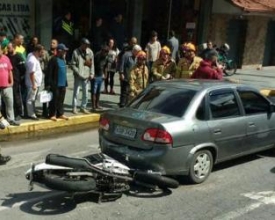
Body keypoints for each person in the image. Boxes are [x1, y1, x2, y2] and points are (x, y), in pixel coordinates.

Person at [45, 43, 69, 121]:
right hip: (55, 84)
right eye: (64, 51)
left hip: (62, 84)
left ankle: (60, 113)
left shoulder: (63, 59)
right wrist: (48, 84)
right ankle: (52, 114)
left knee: (61, 100)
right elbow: (49, 73)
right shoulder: (53, 59)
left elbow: (64, 72)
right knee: (54, 100)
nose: (65, 52)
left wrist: (65, 83)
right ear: (59, 50)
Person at [71, 38, 94, 114]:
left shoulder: (90, 52)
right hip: (78, 75)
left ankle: (83, 107)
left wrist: (92, 73)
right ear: (82, 44)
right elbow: (73, 65)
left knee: (86, 93)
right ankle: (74, 107)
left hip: (86, 75)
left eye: (87, 45)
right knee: (76, 93)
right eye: (85, 45)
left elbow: (92, 64)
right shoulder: (75, 52)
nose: (86, 46)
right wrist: (78, 72)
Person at [0, 46, 20, 126]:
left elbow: (10, 70)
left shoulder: (6, 58)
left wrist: (11, 82)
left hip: (7, 85)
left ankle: (11, 119)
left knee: (10, 103)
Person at [7, 42, 26, 121]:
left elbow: (23, 69)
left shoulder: (18, 56)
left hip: (16, 79)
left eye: (9, 48)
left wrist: (20, 77)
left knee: (16, 96)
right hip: (8, 80)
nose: (8, 49)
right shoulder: (7, 57)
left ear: (14, 48)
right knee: (9, 97)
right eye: (7, 48)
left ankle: (19, 113)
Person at [25, 44, 44, 120]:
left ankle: (33, 112)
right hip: (32, 83)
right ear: (37, 51)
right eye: (41, 52)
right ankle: (31, 114)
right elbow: (31, 73)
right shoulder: (32, 60)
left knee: (33, 99)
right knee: (30, 99)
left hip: (36, 83)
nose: (42, 54)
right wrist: (33, 84)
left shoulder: (32, 55)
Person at [41, 38, 58, 118]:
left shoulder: (59, 53)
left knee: (54, 94)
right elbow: (42, 62)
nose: (52, 44)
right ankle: (44, 110)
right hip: (48, 76)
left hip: (56, 77)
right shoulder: (46, 53)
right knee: (46, 92)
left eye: (54, 43)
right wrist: (44, 70)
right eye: (51, 43)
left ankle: (51, 109)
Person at [91, 45, 109, 111]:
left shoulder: (106, 57)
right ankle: (93, 106)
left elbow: (106, 66)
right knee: (94, 91)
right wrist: (92, 74)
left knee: (98, 91)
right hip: (95, 75)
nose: (106, 53)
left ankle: (97, 104)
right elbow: (92, 65)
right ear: (102, 51)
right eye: (105, 52)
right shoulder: (97, 56)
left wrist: (105, 74)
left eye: (107, 52)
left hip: (101, 75)